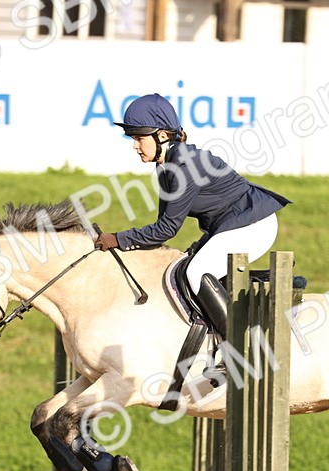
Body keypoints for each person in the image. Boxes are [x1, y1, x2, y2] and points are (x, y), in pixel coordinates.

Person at [94, 93, 291, 339]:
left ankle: (241, 349)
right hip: (231, 226)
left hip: (252, 225)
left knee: (196, 272)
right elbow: (161, 227)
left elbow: (166, 230)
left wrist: (118, 239)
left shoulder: (184, 166)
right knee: (184, 267)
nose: (135, 145)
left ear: (162, 136)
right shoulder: (167, 165)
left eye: (139, 138)